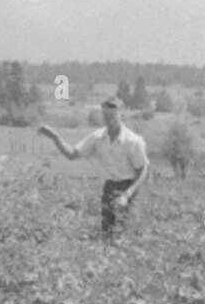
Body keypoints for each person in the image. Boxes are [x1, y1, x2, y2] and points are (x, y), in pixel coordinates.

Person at [37, 97, 149, 235]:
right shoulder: (97, 138)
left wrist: (127, 195)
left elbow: (143, 170)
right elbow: (72, 154)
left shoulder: (133, 141)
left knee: (127, 233)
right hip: (109, 187)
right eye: (106, 116)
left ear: (122, 114)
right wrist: (55, 137)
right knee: (107, 233)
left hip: (129, 188)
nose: (109, 120)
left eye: (112, 116)